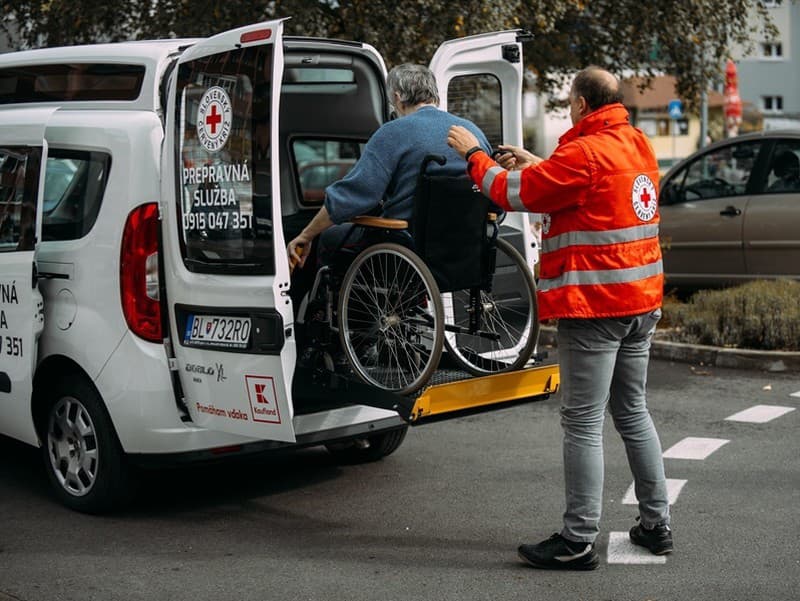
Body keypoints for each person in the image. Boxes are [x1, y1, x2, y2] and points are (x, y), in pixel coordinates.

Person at [447, 66, 672, 570]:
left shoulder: (584, 153)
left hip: (596, 306)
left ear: (583, 105)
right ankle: (656, 526)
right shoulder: (635, 143)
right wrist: (537, 162)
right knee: (632, 413)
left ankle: (577, 540)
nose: (567, 108)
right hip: (641, 303)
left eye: (569, 101)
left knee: (583, 422)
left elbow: (509, 193)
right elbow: (578, 187)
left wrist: (472, 155)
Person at [286, 63, 491, 270]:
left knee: (331, 237)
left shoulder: (392, 133)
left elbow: (356, 194)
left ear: (397, 97)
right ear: (434, 95)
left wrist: (306, 234)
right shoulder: (473, 132)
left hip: (406, 242)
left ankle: (329, 302)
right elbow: (491, 190)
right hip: (465, 242)